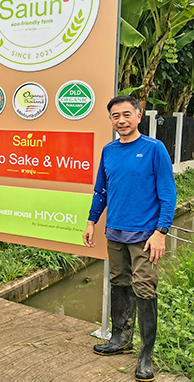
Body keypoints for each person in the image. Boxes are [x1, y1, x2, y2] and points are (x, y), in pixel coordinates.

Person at [83, 95, 176, 382]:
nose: (121, 120)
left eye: (126, 114)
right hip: (115, 233)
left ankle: (145, 354)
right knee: (119, 283)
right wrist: (91, 221)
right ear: (110, 120)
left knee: (145, 289)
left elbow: (168, 194)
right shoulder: (109, 151)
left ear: (138, 116)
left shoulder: (154, 149)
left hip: (145, 237)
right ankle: (121, 339)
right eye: (115, 116)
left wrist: (161, 233)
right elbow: (101, 190)